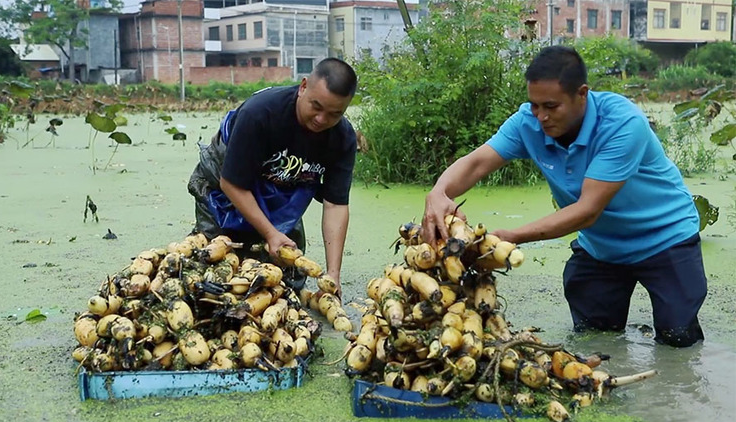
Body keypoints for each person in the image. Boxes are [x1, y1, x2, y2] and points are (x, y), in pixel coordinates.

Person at [422, 46, 706, 348]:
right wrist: (439, 192)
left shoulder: (622, 124)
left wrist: (510, 236)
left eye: (551, 106)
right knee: (594, 342)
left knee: (679, 342)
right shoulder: (527, 123)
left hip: (665, 239)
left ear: (581, 93)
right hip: (601, 248)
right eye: (534, 105)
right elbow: (478, 162)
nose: (541, 117)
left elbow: (587, 210)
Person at [187, 58, 358, 296]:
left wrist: (333, 274)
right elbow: (232, 183)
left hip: (284, 184)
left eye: (334, 113)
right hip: (226, 180)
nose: (321, 119)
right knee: (213, 269)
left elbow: (335, 206)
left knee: (286, 280)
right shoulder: (260, 113)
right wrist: (269, 232)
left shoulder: (343, 138)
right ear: (303, 86)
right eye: (316, 106)